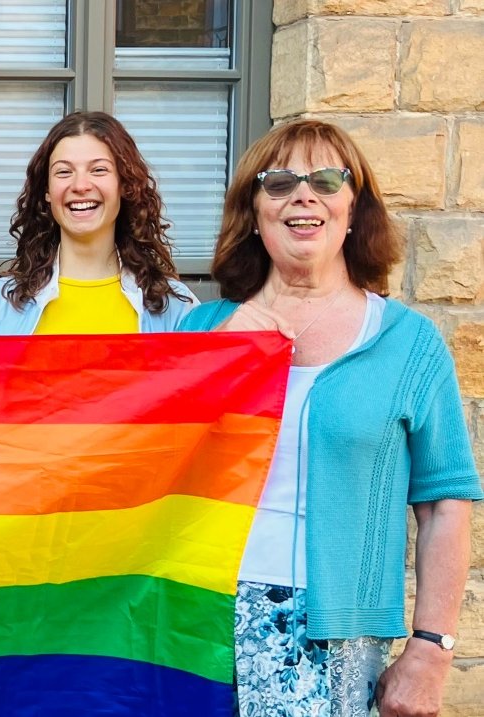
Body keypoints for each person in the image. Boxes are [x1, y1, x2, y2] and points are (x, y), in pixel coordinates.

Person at [178, 120, 480, 716]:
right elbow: (147, 469)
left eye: (325, 180)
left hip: (338, 636)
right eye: (280, 182)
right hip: (195, 617)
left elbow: (446, 503)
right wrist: (216, 356)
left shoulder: (409, 344)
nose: (303, 195)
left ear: (353, 208)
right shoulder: (198, 330)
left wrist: (431, 650)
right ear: (253, 211)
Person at [0, 111, 196, 336]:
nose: (80, 185)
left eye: (99, 170)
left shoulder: (174, 307)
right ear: (47, 191)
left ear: (124, 185)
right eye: (63, 172)